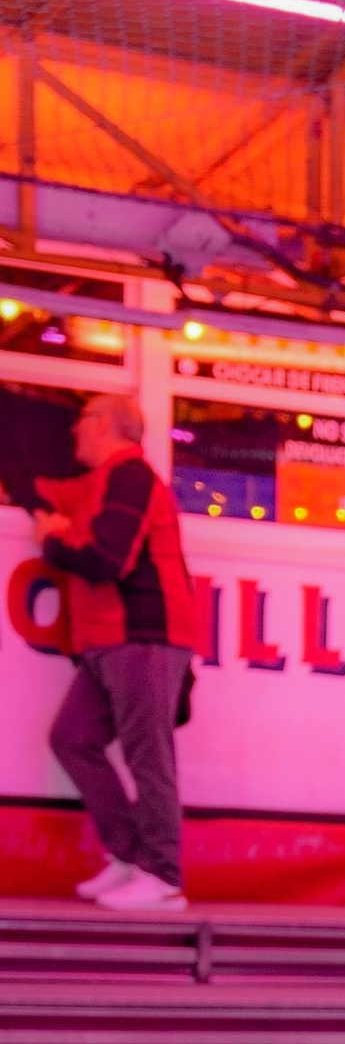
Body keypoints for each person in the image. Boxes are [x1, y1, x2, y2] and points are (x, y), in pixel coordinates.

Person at [39, 391, 202, 913]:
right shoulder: (110, 481)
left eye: (83, 416)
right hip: (113, 640)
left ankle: (162, 875)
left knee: (147, 756)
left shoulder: (130, 476)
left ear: (108, 425)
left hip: (144, 636)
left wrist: (53, 542)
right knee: (72, 739)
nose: (74, 428)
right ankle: (131, 856)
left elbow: (109, 559)